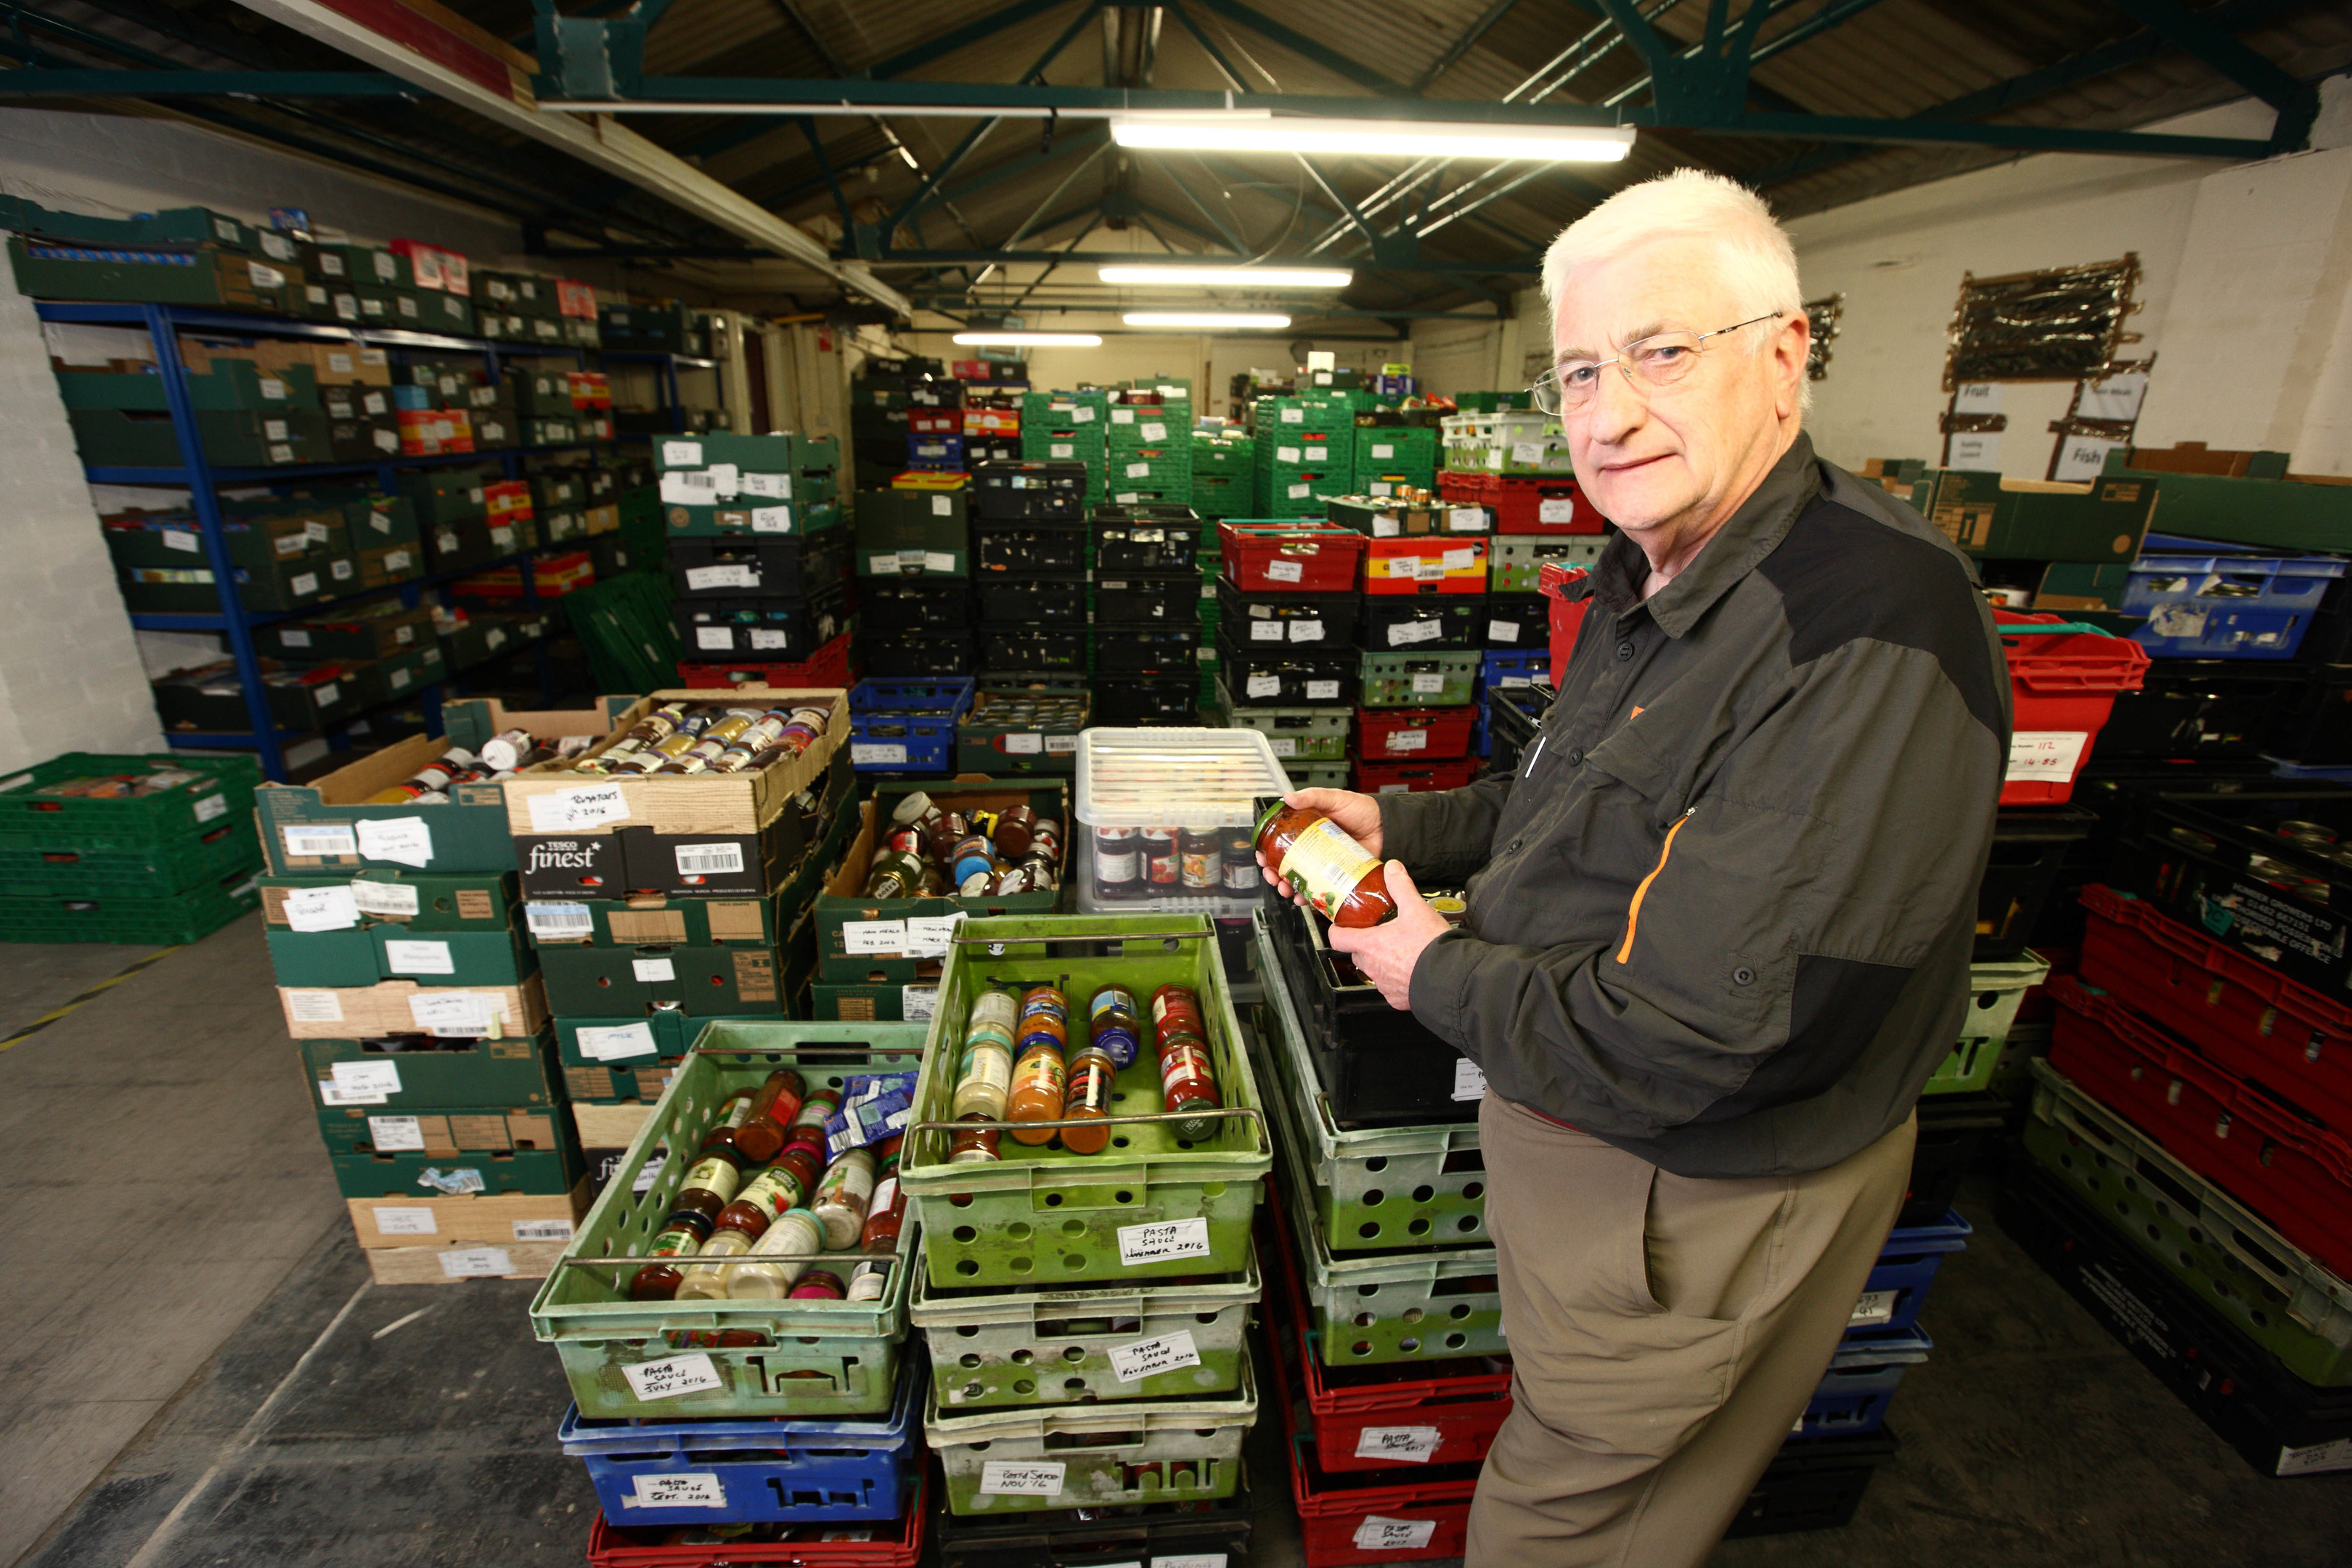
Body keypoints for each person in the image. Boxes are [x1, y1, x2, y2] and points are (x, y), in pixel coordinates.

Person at [1263, 168, 2009, 1566]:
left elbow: (1696, 1041)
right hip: (1594, 1141)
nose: (1607, 416)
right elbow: (1586, 795)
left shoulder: (1861, 629)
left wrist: (1430, 968)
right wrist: (1402, 828)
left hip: (1691, 1191)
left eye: (1663, 353)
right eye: (1580, 371)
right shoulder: (1670, 561)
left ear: (1785, 351)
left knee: (1580, 1509)